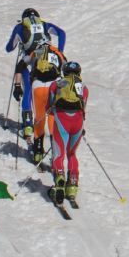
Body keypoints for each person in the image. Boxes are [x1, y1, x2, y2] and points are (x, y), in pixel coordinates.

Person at [5, 8, 66, 141]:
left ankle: (28, 125)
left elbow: (9, 48)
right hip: (48, 59)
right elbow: (62, 33)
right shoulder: (45, 25)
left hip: (29, 60)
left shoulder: (20, 27)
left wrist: (20, 43)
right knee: (51, 92)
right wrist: (59, 52)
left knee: (28, 88)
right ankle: (53, 129)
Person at [46, 61, 88, 206]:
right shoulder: (84, 88)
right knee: (72, 154)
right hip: (77, 122)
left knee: (59, 154)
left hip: (61, 120)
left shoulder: (56, 84)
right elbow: (84, 107)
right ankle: (72, 185)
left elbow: (49, 107)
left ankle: (59, 180)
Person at [29, 35, 67, 166]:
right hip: (53, 85)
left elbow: (22, 64)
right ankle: (54, 153)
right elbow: (66, 69)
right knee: (52, 118)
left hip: (37, 85)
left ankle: (38, 151)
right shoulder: (57, 52)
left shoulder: (36, 51)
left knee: (39, 117)